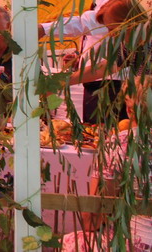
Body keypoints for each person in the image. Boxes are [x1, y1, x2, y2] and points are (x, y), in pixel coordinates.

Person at [62, 76, 152, 251]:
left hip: (137, 241)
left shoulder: (123, 143)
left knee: (70, 242)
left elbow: (93, 216)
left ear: (130, 109)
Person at [39, 0, 125, 124]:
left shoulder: (116, 5)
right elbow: (101, 41)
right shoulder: (104, 3)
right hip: (96, 84)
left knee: (103, 136)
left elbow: (83, 24)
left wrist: (43, 29)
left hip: (108, 88)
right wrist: (81, 58)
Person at [67, 0, 147, 121]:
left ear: (129, 22)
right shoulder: (129, 45)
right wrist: (63, 81)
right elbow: (105, 67)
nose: (112, 34)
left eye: (113, 29)